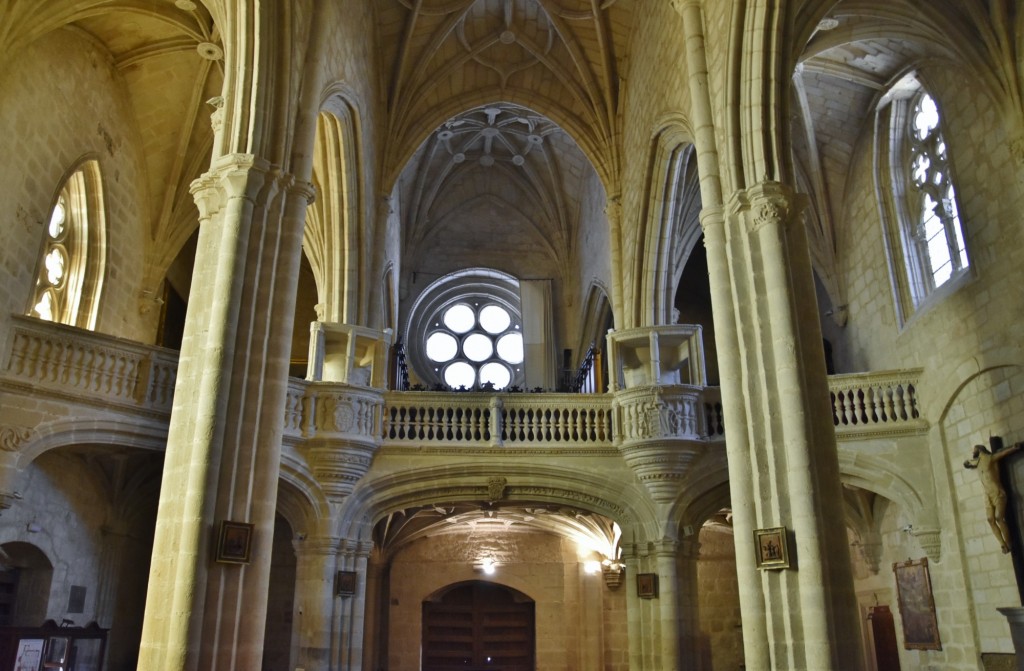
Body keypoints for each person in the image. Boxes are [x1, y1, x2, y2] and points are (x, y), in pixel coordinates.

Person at [964, 439, 1022, 554]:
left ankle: (1009, 542)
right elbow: (968, 463)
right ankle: (1002, 544)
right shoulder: (978, 462)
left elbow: (1002, 453)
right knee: (990, 520)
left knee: (999, 518)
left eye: (974, 450)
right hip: (987, 496)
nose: (973, 452)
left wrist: (1014, 448)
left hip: (997, 493)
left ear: (980, 450)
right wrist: (967, 463)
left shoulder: (989, 458)